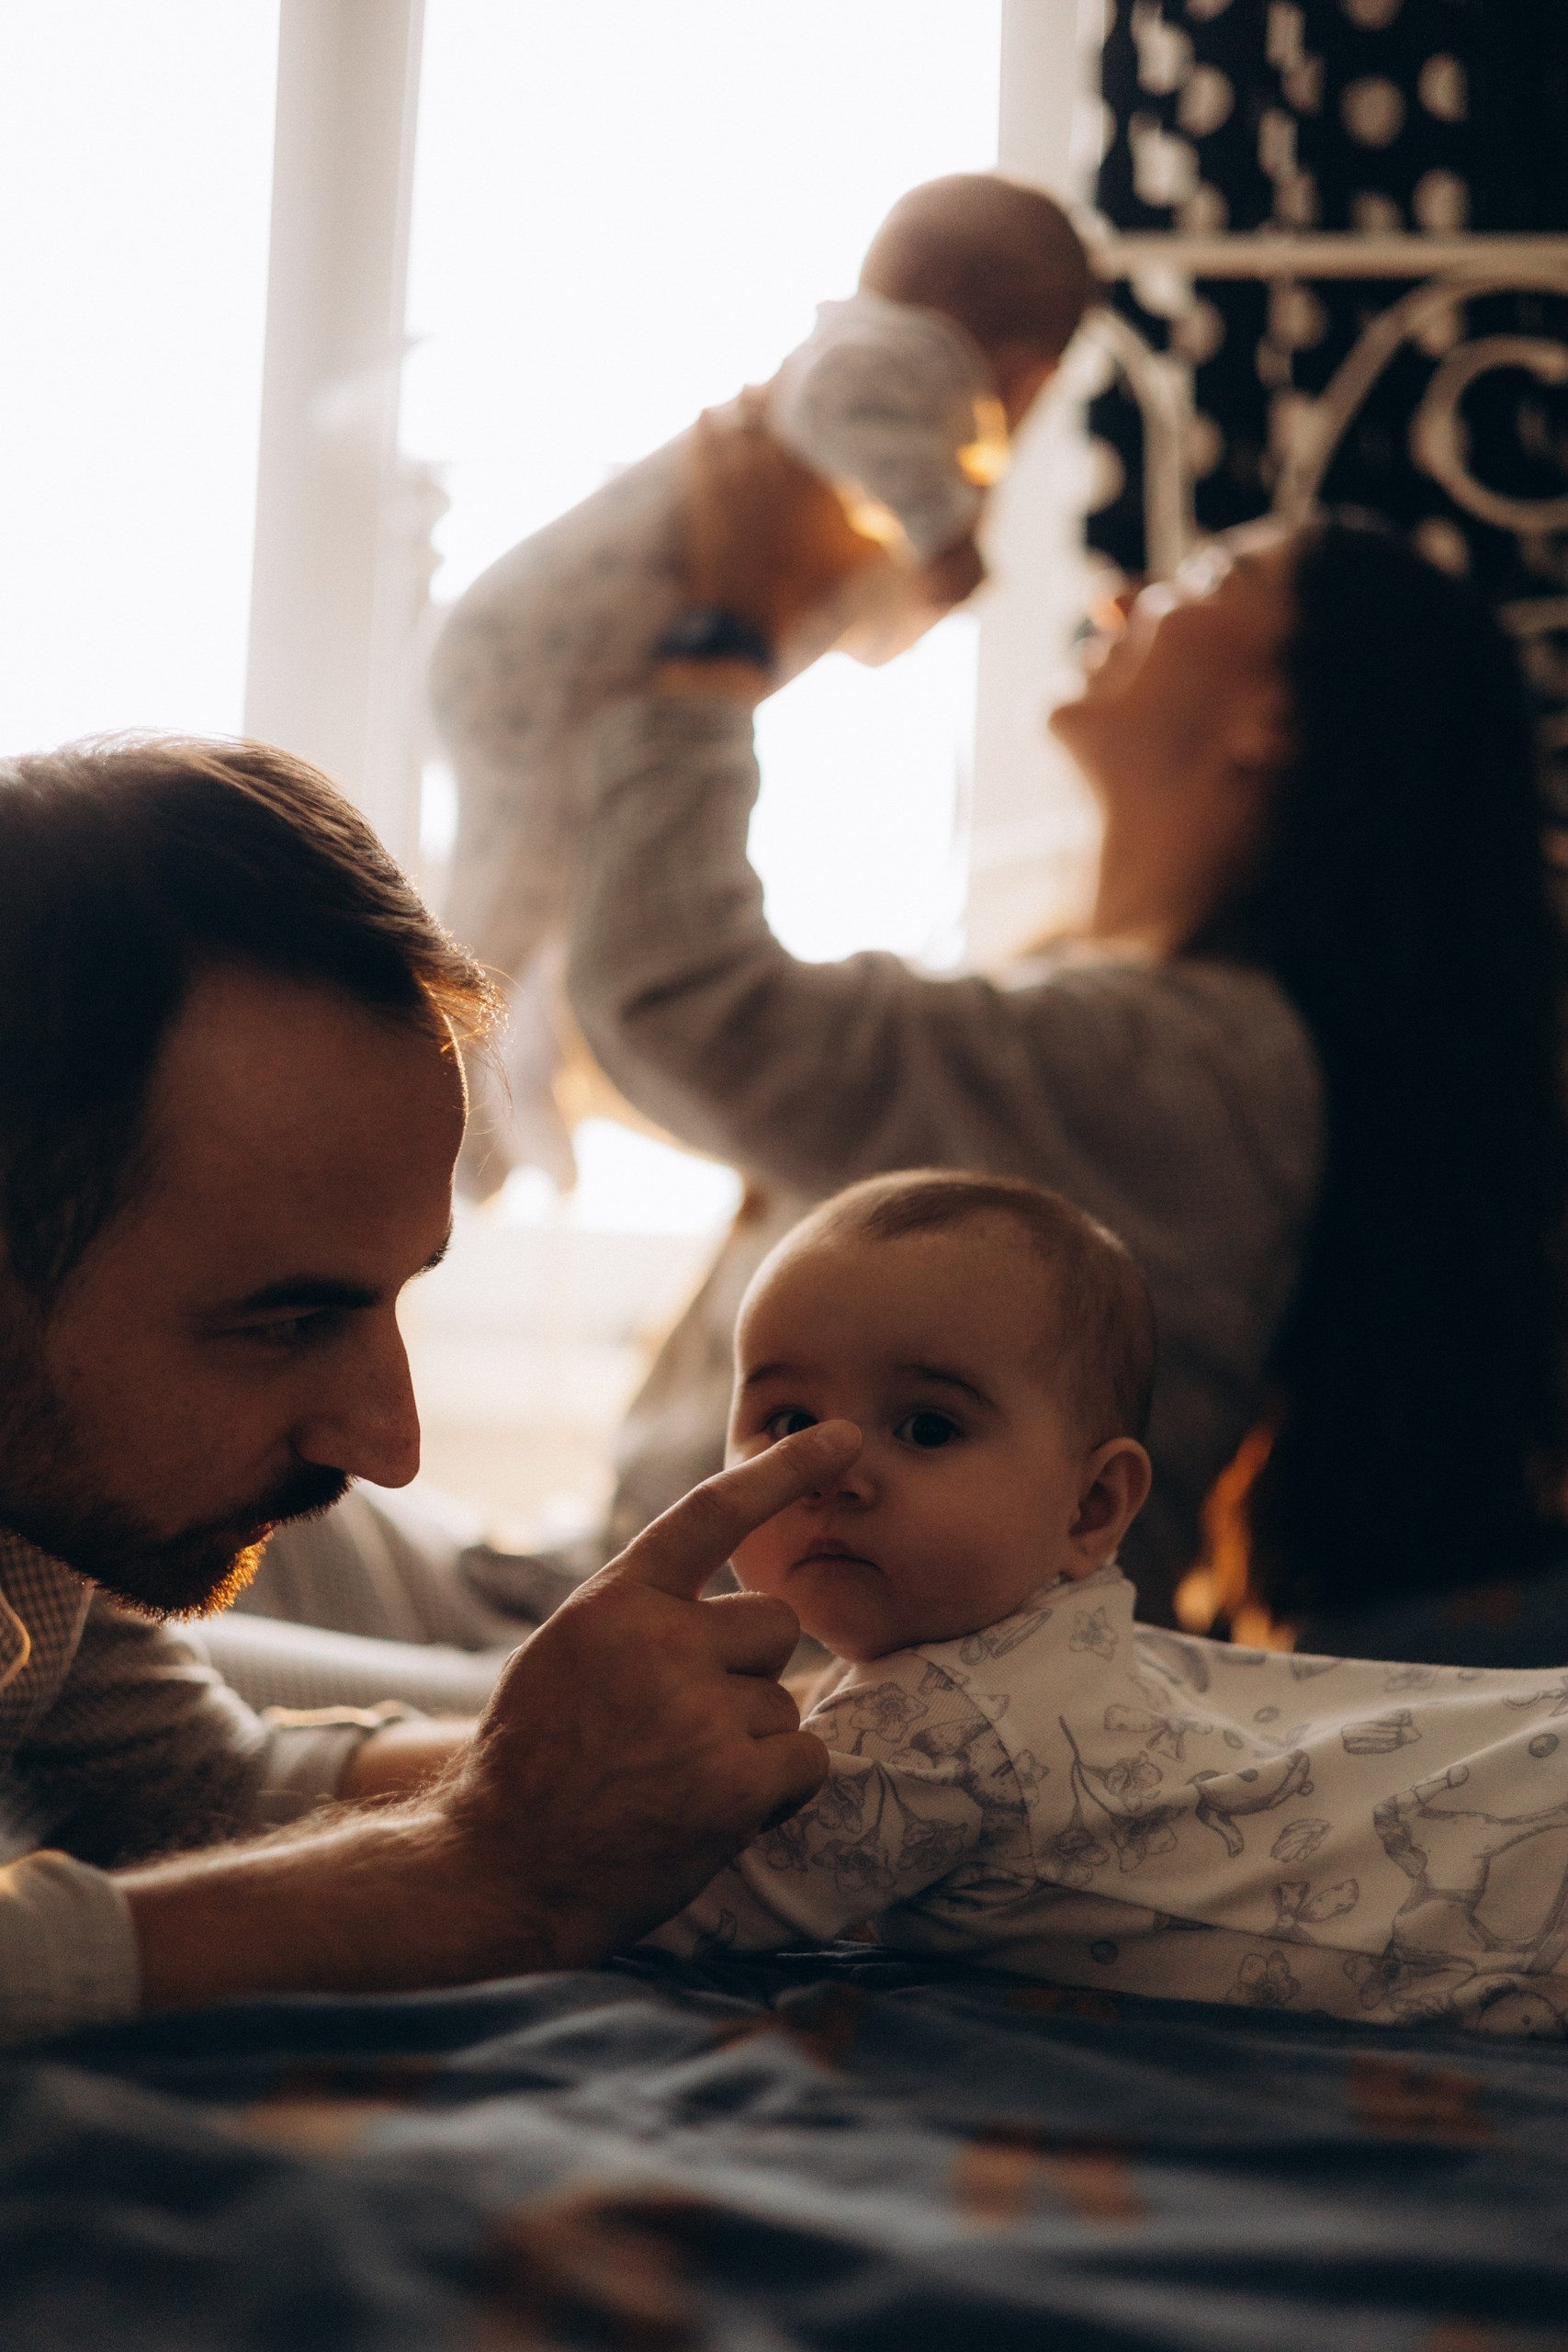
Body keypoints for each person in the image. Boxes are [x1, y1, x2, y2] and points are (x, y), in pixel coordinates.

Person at [559, 424, 1568, 1656]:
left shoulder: (1186, 1066)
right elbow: (663, 1041)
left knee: (267, 1675)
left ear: (1274, 721)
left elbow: (683, 1001)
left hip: (753, 1675)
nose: (1122, 591)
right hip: (653, 1608)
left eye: (1206, 582)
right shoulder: (1109, 1020)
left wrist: (727, 631)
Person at [0, 733, 854, 2046]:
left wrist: (814, 1755)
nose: (391, 1445)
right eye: (285, 1321)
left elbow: (193, 1782)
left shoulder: (40, 1545)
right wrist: (484, 1877)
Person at [646, 1171, 1568, 2039]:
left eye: (928, 1426)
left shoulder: (940, 1731)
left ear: (1089, 1508)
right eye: (788, 1423)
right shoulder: (1050, 1642)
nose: (833, 1469)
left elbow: (656, 1896)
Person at [430, 174, 1092, 1191]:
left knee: (557, 888)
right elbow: (843, 411)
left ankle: (512, 1084)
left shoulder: (907, 414)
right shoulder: (891, 361)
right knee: (506, 889)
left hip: (574, 672)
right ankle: (447, 1100)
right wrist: (946, 532)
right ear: (1028, 372)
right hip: (533, 656)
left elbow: (857, 620)